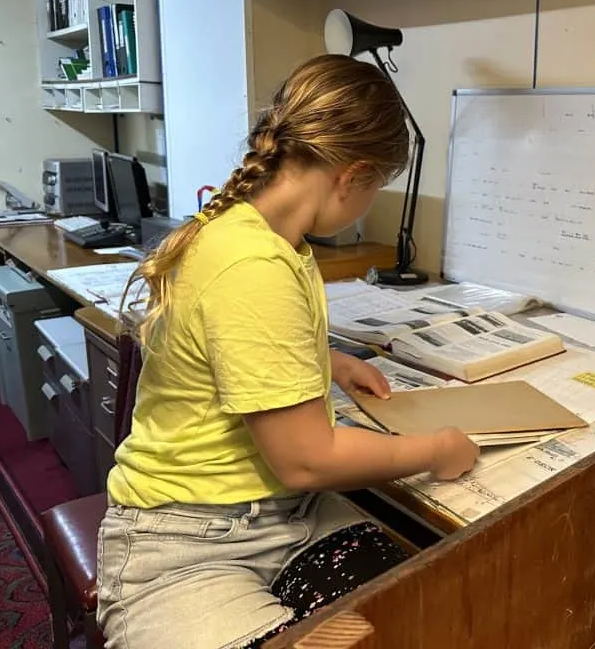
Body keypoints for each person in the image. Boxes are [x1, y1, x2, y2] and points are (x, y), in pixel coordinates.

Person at [96, 55, 480, 649]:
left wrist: (323, 360)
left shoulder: (263, 236)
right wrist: (437, 449)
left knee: (414, 619)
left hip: (284, 516)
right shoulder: (252, 263)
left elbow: (239, 342)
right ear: (352, 176)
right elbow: (306, 459)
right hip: (186, 539)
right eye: (378, 187)